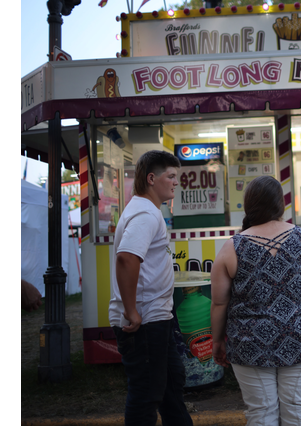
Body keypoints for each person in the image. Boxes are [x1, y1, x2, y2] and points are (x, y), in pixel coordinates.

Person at [211, 175, 301, 426]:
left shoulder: (231, 247)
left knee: (261, 413)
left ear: (248, 205)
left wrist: (217, 340)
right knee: (298, 409)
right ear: (281, 204)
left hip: (249, 343)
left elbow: (219, 303)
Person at [108, 150, 193, 426]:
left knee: (170, 387)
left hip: (156, 318)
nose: (175, 182)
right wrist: (132, 311)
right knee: (147, 394)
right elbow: (127, 257)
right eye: (171, 176)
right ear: (152, 178)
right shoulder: (146, 213)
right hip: (144, 323)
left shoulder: (146, 210)